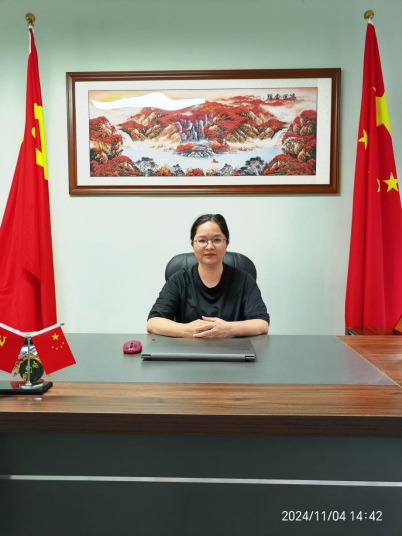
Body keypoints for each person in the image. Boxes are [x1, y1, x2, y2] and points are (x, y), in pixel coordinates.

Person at [147, 214, 270, 338]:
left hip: (233, 348)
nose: (210, 246)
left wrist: (229, 329)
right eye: (202, 240)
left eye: (217, 240)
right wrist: (187, 330)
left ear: (227, 243)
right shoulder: (178, 280)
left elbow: (262, 324)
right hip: (188, 347)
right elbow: (153, 323)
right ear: (192, 244)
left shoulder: (244, 280)